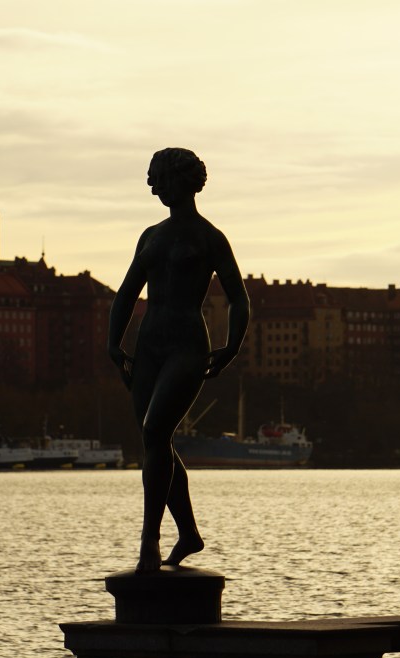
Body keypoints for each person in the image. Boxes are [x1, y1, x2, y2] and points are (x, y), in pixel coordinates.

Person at [107, 147, 250, 573]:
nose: (156, 188)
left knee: (155, 432)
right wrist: (114, 343)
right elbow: (127, 291)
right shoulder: (150, 235)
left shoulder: (210, 238)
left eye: (162, 179)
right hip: (148, 345)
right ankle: (187, 533)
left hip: (188, 346)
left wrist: (232, 346)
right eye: (154, 181)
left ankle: (148, 543)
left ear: (184, 181)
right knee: (156, 442)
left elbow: (239, 297)